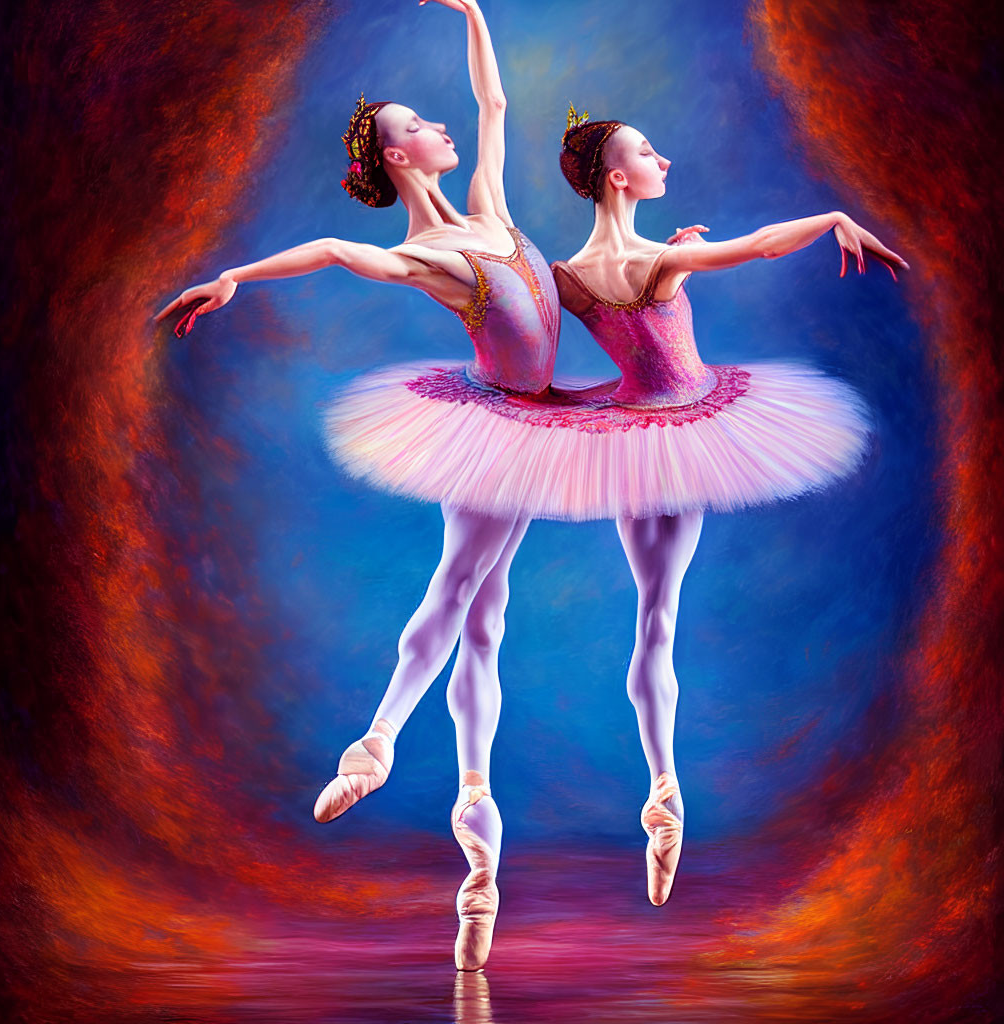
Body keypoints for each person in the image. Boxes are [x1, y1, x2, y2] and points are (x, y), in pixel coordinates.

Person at [155, 0, 568, 974]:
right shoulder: (423, 255)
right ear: (396, 159)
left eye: (432, 119)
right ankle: (376, 743)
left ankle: (477, 853)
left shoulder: (496, 211)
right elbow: (336, 250)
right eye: (416, 126)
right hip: (497, 425)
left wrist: (470, 10)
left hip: (544, 418)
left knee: (485, 616)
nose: (441, 129)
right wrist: (238, 277)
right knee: (464, 595)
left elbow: (496, 99)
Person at [547, 107, 908, 905]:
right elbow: (758, 246)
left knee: (651, 617)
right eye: (647, 150)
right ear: (617, 177)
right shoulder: (654, 261)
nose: (663, 157)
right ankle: (667, 796)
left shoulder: (570, 277)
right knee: (663, 618)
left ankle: (664, 791)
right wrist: (836, 216)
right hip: (678, 428)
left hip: (624, 430)